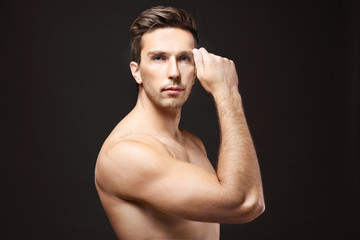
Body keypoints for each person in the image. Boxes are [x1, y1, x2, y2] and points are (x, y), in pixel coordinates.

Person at [95, 6, 265, 239]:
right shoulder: (126, 153)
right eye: (158, 58)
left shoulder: (191, 142)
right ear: (137, 72)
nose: (174, 72)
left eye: (184, 58)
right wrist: (227, 92)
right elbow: (246, 202)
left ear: (195, 71)